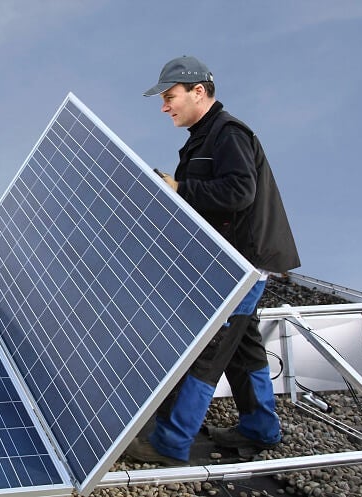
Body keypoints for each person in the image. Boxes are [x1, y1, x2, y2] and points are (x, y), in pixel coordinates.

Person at [125, 55, 301, 465]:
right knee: (245, 347)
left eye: (170, 97)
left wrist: (180, 188)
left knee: (209, 347)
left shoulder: (229, 134)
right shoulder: (205, 137)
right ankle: (261, 428)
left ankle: (169, 442)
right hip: (229, 258)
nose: (165, 106)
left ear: (198, 91)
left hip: (241, 263)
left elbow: (240, 192)